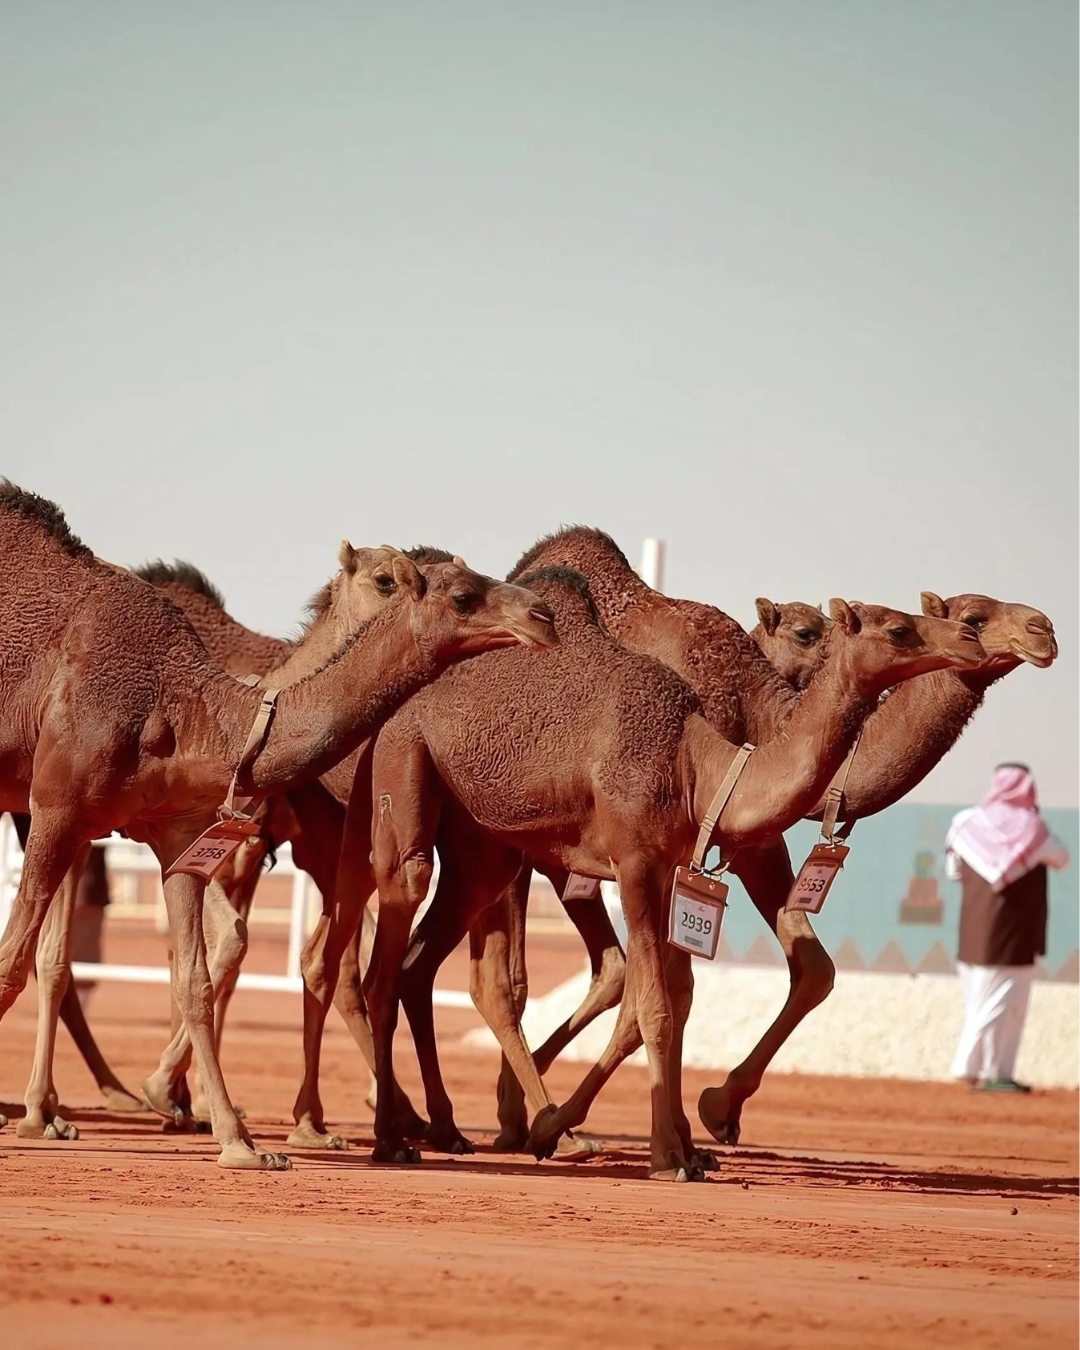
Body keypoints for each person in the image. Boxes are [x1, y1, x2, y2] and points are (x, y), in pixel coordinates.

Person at [946, 763, 1069, 1093]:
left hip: (973, 929)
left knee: (983, 1002)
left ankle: (994, 1073)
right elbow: (1062, 858)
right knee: (1003, 1004)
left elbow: (953, 872)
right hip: (1015, 933)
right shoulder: (1034, 828)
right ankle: (971, 1066)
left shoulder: (964, 823)